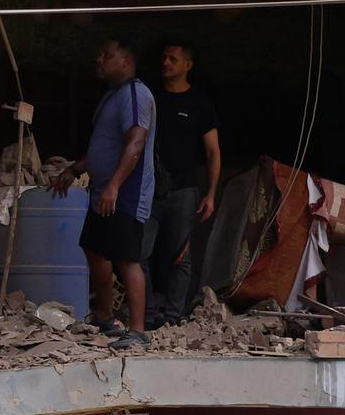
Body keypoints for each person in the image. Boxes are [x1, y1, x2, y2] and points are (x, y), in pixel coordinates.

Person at [52, 37, 155, 350]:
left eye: (106, 55)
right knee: (94, 248)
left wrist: (114, 185)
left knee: (127, 257)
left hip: (124, 191)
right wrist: (75, 169)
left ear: (125, 60)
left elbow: (135, 142)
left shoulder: (137, 94)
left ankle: (138, 331)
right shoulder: (114, 96)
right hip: (103, 189)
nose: (99, 60)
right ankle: (105, 317)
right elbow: (104, 145)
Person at [145, 41, 222, 328]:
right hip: (148, 189)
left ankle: (173, 317)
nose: (165, 62)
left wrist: (211, 193)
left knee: (179, 255)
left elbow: (213, 151)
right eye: (163, 57)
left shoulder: (200, 104)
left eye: (173, 59)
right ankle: (148, 314)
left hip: (183, 190)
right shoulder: (151, 99)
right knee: (140, 253)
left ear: (187, 65)